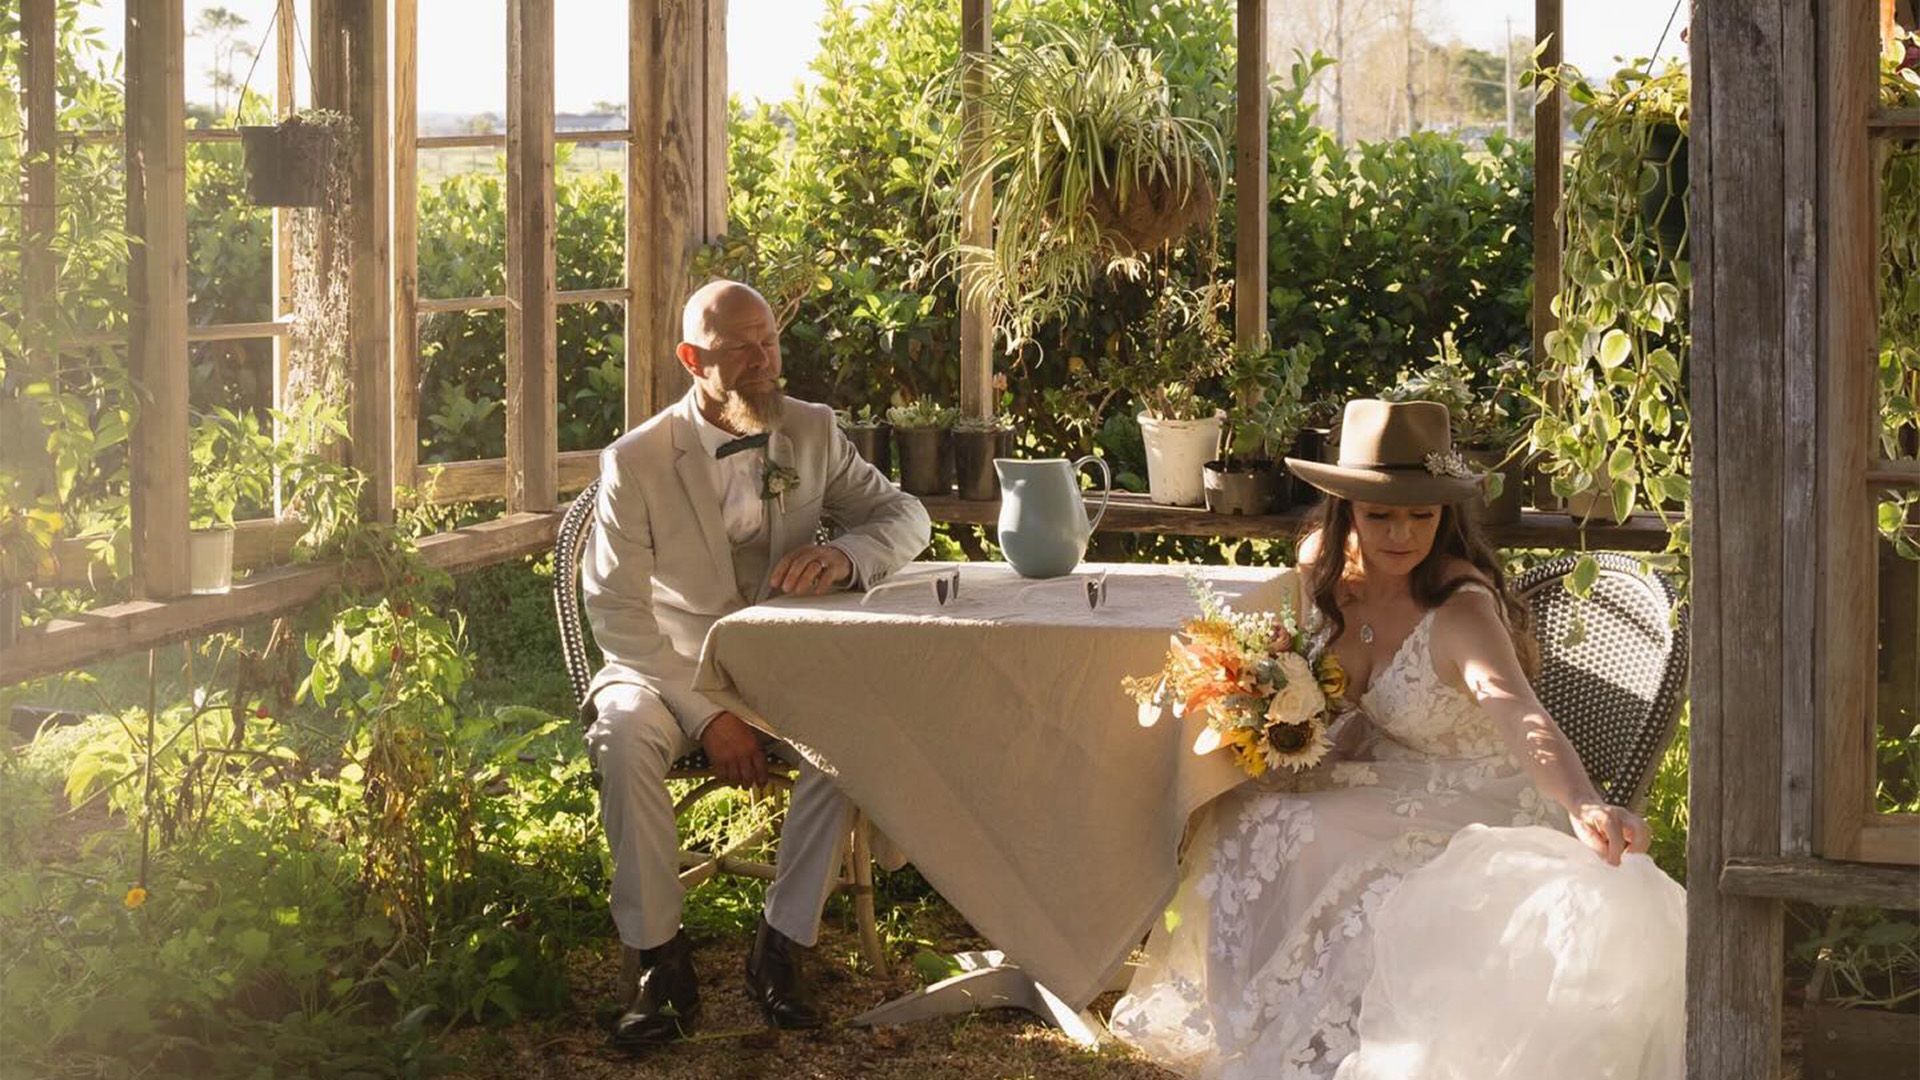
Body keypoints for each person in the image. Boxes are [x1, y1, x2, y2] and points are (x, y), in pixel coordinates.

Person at [1111, 399, 1685, 1079]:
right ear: (1346, 509)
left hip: (1476, 798)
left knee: (1305, 833)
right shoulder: (1327, 574)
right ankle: (1246, 1024)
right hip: (1382, 774)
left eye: (1421, 514)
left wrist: (1585, 802)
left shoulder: (1461, 612)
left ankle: (1315, 1045)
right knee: (1243, 808)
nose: (1401, 533)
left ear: (1446, 516)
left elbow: (1522, 715)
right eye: (1381, 513)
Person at [580, 280, 931, 1048]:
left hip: (780, 666)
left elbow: (906, 515)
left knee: (847, 725)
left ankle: (783, 943)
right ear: (692, 359)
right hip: (663, 667)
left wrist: (846, 551)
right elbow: (618, 616)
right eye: (741, 347)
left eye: (769, 340)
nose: (765, 361)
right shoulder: (633, 462)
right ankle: (658, 963)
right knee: (623, 734)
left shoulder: (809, 429)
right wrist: (709, 717)